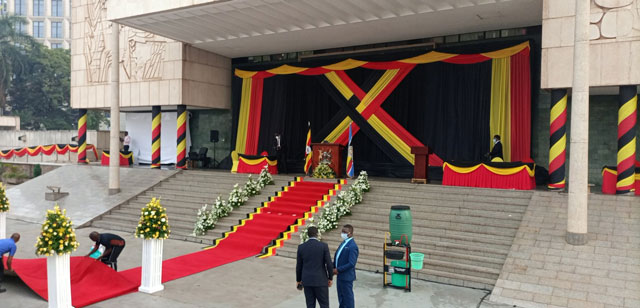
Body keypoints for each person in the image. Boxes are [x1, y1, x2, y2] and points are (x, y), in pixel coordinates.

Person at [296, 226, 333, 308]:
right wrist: (330, 278)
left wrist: (298, 280)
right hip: (321, 280)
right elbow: (329, 264)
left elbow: (299, 266)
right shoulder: (323, 246)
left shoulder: (301, 247)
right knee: (324, 305)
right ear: (317, 234)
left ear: (308, 235)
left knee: (310, 305)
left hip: (307, 281)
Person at [333, 224, 359, 308]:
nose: (342, 233)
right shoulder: (344, 243)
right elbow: (338, 257)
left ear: (350, 233)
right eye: (342, 231)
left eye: (345, 232)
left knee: (347, 298)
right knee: (341, 297)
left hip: (346, 276)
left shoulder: (352, 246)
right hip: (340, 276)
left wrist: (338, 269)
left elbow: (351, 263)